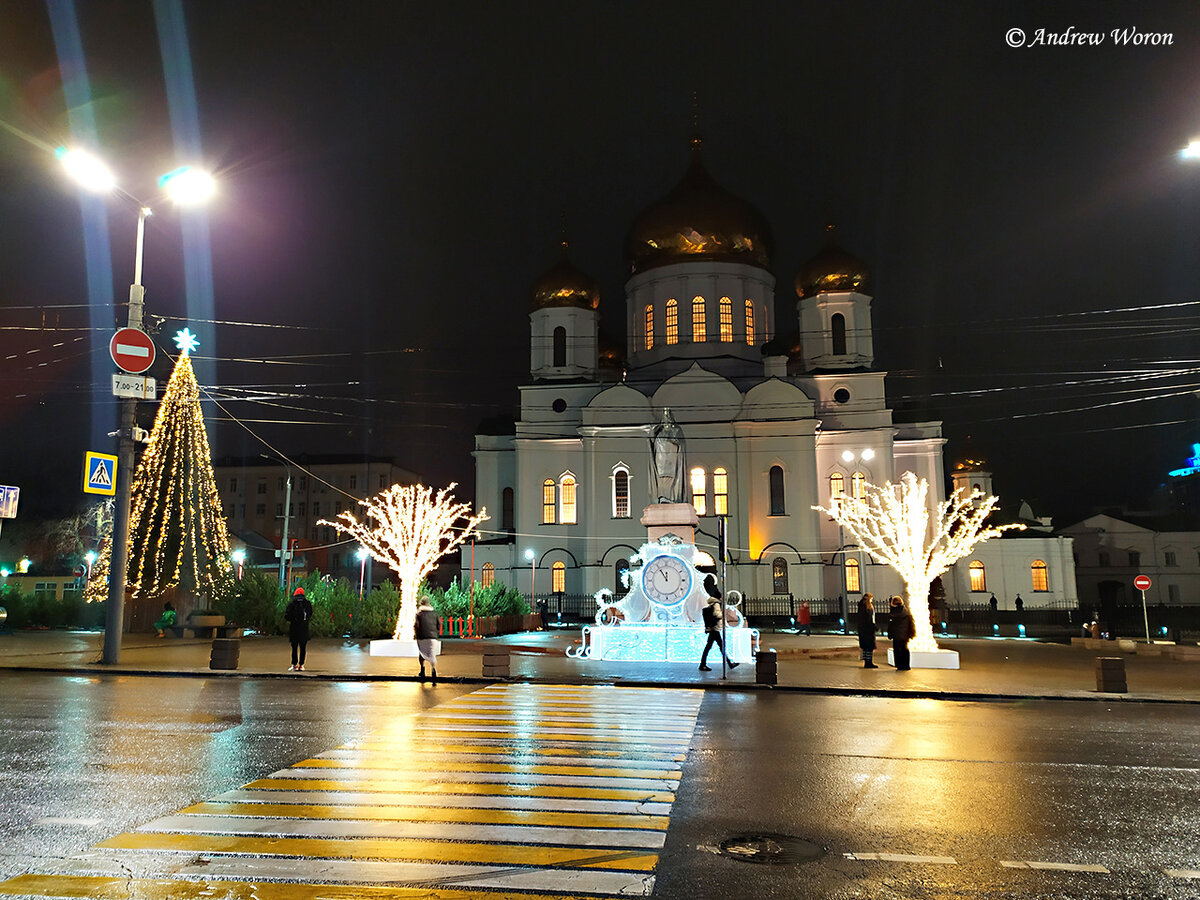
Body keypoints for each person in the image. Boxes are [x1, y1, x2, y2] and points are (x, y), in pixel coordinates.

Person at [699, 574, 738, 672]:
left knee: (710, 646)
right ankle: (729, 663)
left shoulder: (711, 603)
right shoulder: (716, 604)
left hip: (712, 628)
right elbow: (717, 615)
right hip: (715, 628)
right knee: (719, 646)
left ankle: (704, 664)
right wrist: (722, 615)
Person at [284, 586, 313, 671]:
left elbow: (287, 616)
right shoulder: (307, 603)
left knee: (294, 648)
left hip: (294, 629)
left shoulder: (292, 604)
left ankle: (294, 665)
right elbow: (310, 614)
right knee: (303, 648)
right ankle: (301, 665)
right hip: (304, 629)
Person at [415, 598, 441, 683]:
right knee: (432, 653)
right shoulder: (435, 613)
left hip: (422, 637)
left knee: (422, 653)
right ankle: (433, 670)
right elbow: (439, 624)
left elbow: (416, 625)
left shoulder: (419, 614)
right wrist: (436, 633)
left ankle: (422, 670)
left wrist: (417, 634)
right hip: (432, 637)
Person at [888, 595, 916, 671]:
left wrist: (890, 634)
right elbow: (911, 623)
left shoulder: (893, 613)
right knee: (905, 650)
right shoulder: (906, 612)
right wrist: (912, 633)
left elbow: (891, 625)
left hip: (896, 635)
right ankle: (906, 665)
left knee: (897, 650)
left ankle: (899, 665)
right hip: (905, 634)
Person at [858, 593, 877, 668]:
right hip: (868, 630)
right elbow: (870, 620)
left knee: (865, 647)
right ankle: (869, 663)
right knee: (869, 647)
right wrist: (874, 627)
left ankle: (866, 662)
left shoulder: (861, 606)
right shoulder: (867, 608)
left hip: (862, 630)